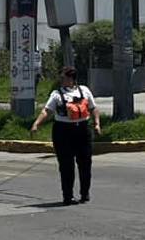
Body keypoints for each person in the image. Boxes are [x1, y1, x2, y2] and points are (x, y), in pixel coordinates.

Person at [30, 66, 101, 204]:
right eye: (61, 77)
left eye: (64, 77)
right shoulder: (56, 94)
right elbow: (47, 111)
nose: (61, 80)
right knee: (66, 165)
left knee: (85, 163)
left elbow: (93, 108)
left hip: (82, 130)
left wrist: (97, 124)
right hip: (63, 131)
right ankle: (68, 196)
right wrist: (36, 124)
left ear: (72, 79)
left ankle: (85, 193)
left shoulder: (84, 91)